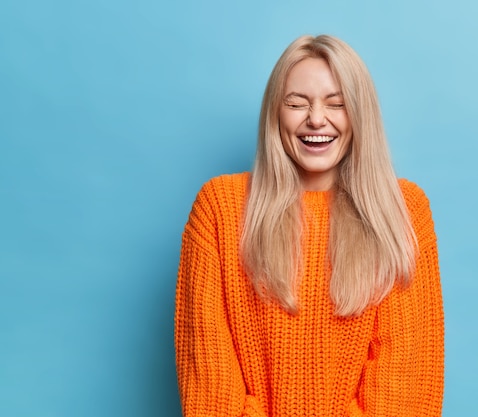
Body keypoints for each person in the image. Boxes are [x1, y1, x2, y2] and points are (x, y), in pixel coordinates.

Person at [175, 34, 444, 416]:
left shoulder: (402, 211)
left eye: (337, 104)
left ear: (359, 114)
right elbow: (210, 386)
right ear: (275, 114)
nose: (316, 118)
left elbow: (406, 385)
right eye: (296, 103)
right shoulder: (220, 209)